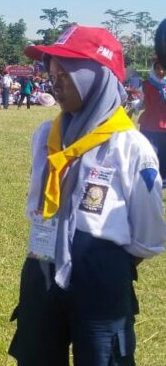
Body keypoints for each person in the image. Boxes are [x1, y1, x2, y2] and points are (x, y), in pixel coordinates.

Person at [9, 25, 166, 366]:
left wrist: (99, 261)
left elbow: (149, 235)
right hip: (41, 262)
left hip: (100, 274)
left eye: (67, 73)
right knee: (35, 354)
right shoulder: (45, 137)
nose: (55, 81)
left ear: (98, 78)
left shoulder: (129, 147)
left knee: (102, 357)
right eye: (52, 72)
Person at [137, 56, 166, 184]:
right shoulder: (146, 85)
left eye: (163, 69)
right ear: (153, 69)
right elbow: (141, 102)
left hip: (164, 127)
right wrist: (135, 106)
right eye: (157, 68)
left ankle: (164, 179)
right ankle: (149, 180)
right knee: (150, 154)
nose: (160, 72)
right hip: (149, 126)